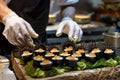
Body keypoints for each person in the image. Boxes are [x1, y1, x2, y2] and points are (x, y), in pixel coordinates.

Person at [0, 0, 83, 55]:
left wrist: (67, 18)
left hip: (40, 39)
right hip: (6, 39)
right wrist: (8, 17)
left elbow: (67, 4)